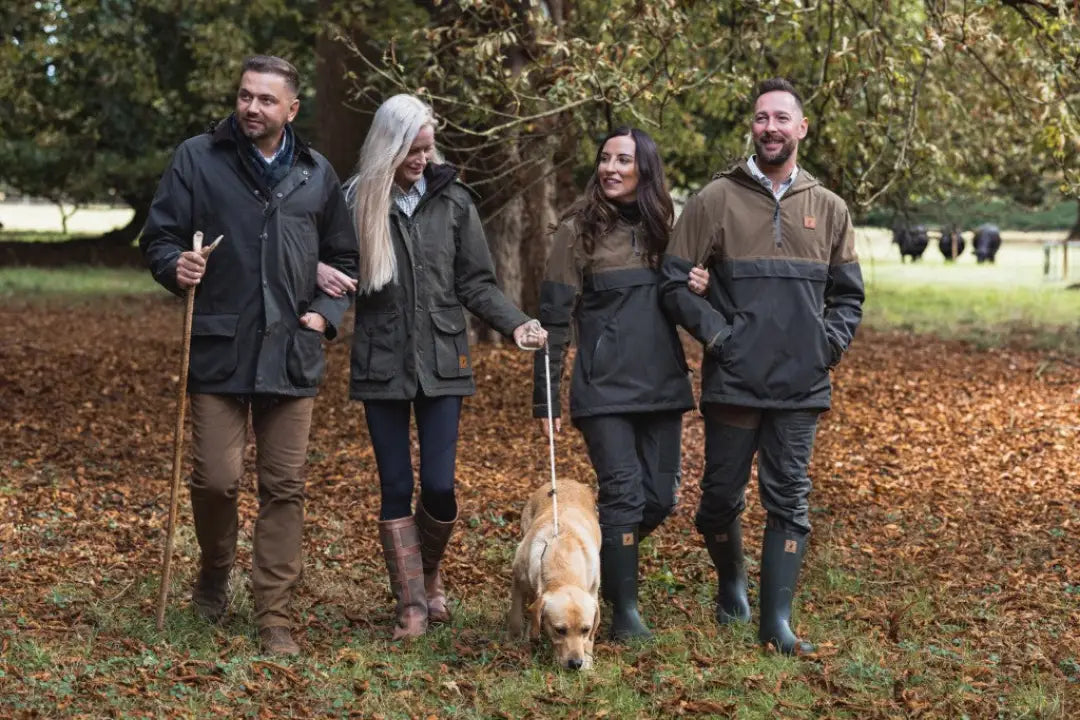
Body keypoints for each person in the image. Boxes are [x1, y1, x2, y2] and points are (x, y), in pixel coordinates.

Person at [141, 55, 359, 656]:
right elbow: (158, 235)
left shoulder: (316, 173)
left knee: (284, 486)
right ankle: (214, 571)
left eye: (266, 100)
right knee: (215, 479)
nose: (252, 108)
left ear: (292, 109)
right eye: (245, 96)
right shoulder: (197, 158)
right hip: (218, 346)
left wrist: (324, 314)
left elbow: (343, 258)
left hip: (291, 354)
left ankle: (274, 615)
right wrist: (173, 265)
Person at [316, 94, 547, 640]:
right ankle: (413, 604)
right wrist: (318, 301)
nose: (422, 159)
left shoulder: (455, 201)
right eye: (412, 150)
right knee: (395, 484)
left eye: (427, 148)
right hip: (382, 362)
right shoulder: (355, 201)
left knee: (439, 487)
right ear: (388, 146)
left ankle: (429, 570)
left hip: (444, 360)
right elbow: (332, 268)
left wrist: (514, 323)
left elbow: (475, 282)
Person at [659, 78, 864, 655]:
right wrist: (719, 336)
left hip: (802, 385)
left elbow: (848, 297)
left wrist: (825, 346)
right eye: (760, 118)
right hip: (734, 380)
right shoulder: (714, 199)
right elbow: (674, 284)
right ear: (752, 128)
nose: (769, 127)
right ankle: (731, 583)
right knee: (719, 500)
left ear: (801, 128)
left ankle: (775, 623)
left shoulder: (829, 208)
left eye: (781, 118)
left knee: (789, 497)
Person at [532, 127, 709, 641]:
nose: (610, 168)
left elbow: (691, 291)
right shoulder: (575, 231)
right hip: (602, 387)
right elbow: (553, 319)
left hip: (662, 383)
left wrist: (704, 282)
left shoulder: (667, 230)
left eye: (623, 160)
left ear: (645, 170)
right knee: (624, 495)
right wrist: (545, 396)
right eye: (605, 159)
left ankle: (594, 570)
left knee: (660, 498)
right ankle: (624, 613)